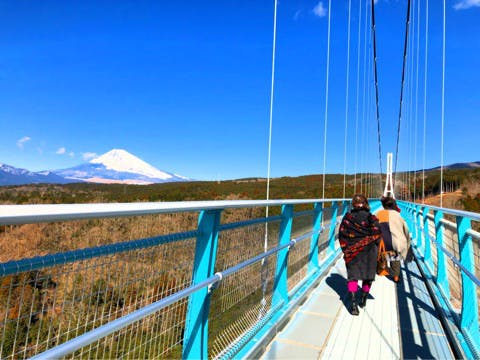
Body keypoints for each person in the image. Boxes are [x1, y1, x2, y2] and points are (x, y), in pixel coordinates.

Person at [338, 194, 382, 315]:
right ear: (366, 203)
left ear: (353, 204)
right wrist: (376, 249)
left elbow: (341, 235)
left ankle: (353, 306)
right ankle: (363, 299)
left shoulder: (347, 218)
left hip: (352, 251)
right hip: (370, 251)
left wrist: (346, 250)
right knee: (368, 276)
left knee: (353, 276)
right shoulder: (371, 218)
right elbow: (378, 234)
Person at [377, 196, 412, 283]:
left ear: (383, 205)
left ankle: (383, 268)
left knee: (381, 258)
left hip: (382, 245)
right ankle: (396, 277)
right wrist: (407, 245)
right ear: (393, 205)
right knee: (395, 261)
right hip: (395, 245)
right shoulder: (398, 215)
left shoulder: (378, 214)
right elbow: (406, 231)